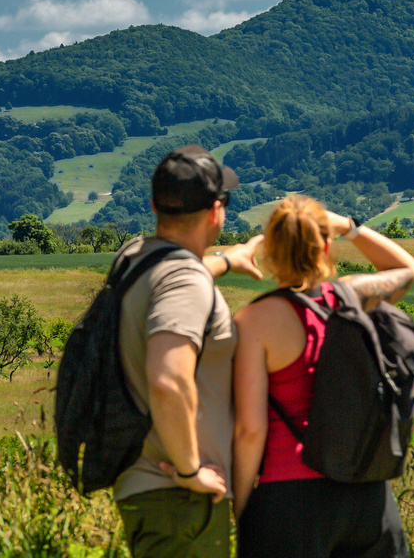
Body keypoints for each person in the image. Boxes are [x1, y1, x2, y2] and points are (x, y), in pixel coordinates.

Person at [231, 197, 414, 558]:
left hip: (288, 498)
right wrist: (349, 226)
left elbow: (250, 431)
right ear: (326, 246)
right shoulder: (352, 297)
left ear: (269, 250)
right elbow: (406, 268)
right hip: (366, 492)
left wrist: (241, 508)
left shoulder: (254, 322)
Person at [112, 144, 265, 558]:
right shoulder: (185, 283)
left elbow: (180, 273)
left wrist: (226, 261)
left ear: (154, 204)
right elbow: (168, 380)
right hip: (180, 498)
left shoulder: (133, 257)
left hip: (143, 488)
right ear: (216, 211)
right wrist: (190, 471)